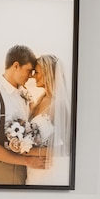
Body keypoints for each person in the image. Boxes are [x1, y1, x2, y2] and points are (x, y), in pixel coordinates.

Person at [0, 45, 47, 185]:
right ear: (16, 66)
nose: (30, 76)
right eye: (28, 71)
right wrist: (28, 161)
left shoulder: (23, 94)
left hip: (24, 170)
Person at [24, 54, 71, 185]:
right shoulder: (41, 99)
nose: (33, 76)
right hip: (33, 169)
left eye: (37, 72)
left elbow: (68, 147)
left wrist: (30, 151)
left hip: (48, 169)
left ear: (48, 73)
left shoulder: (60, 104)